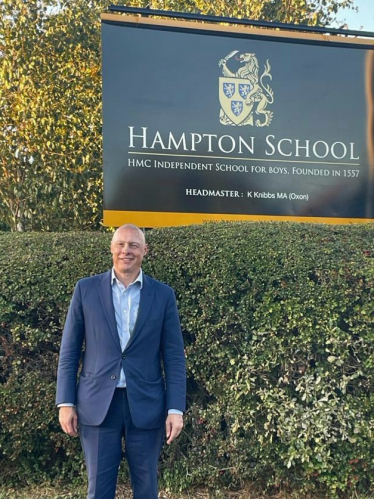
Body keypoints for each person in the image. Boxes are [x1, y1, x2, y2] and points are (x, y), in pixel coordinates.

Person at [56, 224, 186, 499]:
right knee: (99, 492)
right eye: (121, 244)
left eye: (134, 245)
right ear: (112, 248)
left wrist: (176, 408)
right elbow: (69, 351)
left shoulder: (163, 296)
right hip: (97, 405)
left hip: (146, 405)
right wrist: (65, 402)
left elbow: (173, 357)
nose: (126, 250)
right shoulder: (86, 290)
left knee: (147, 489)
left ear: (145, 251)